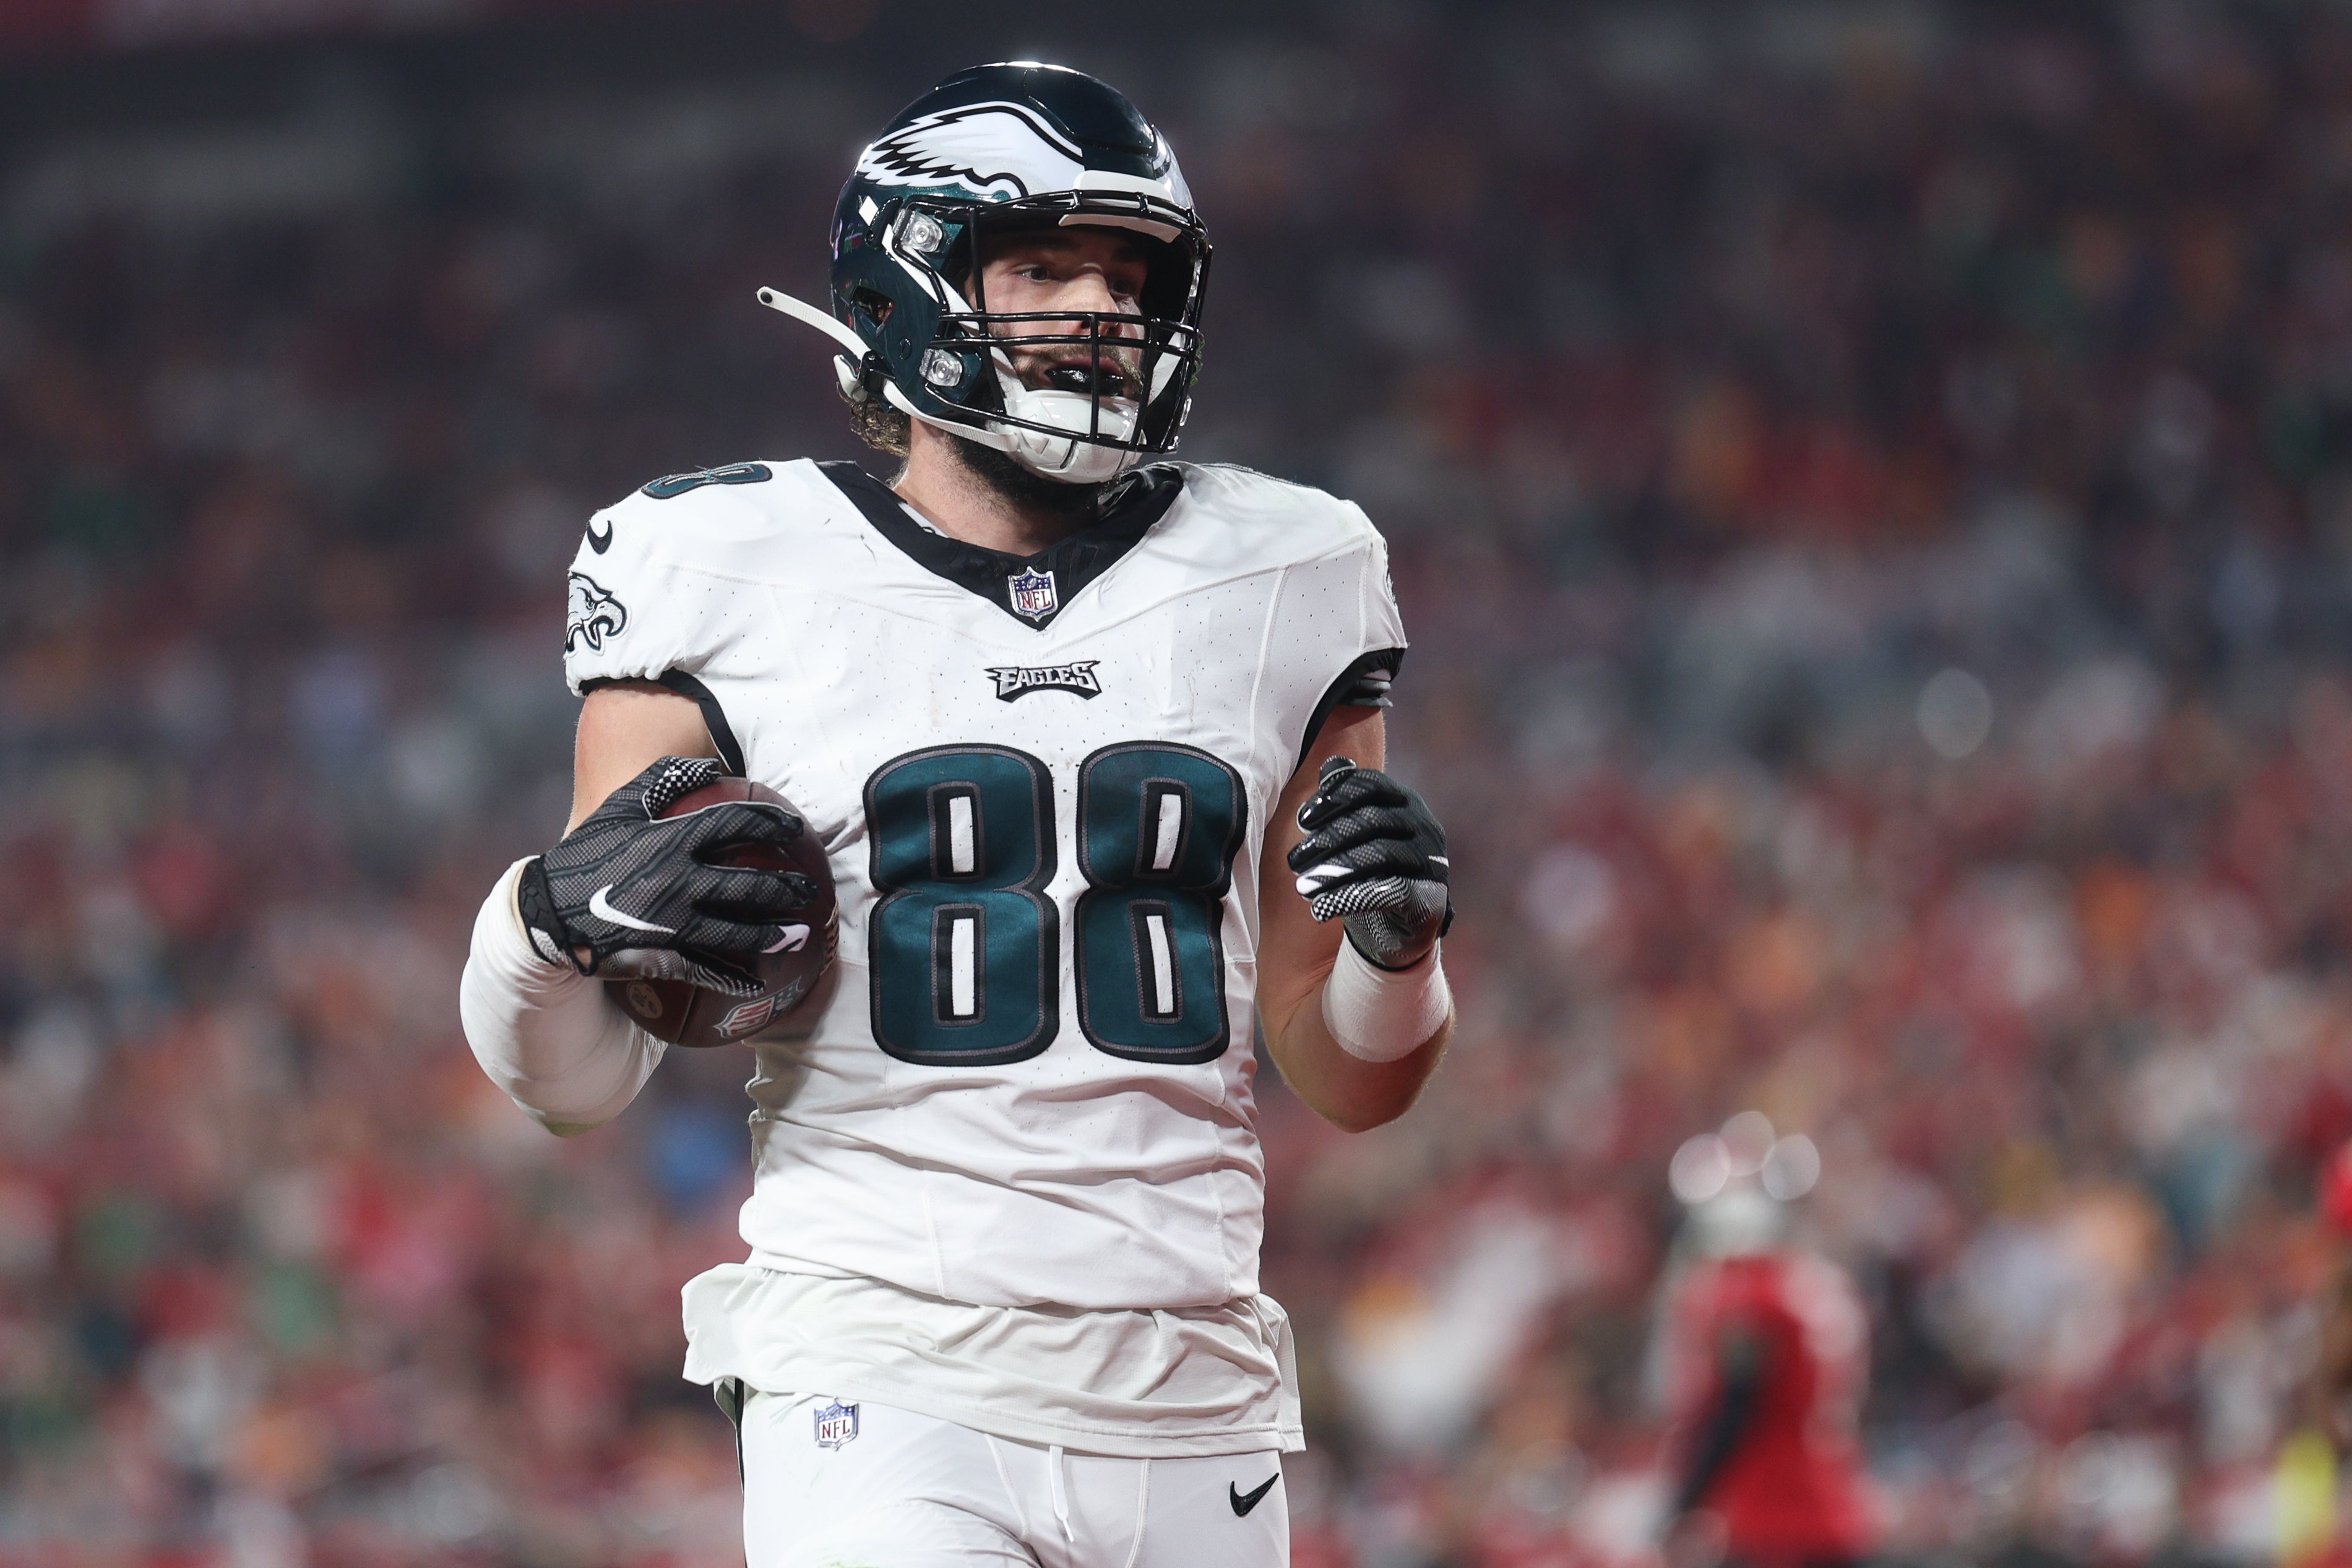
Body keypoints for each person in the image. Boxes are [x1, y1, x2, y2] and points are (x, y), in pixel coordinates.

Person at [457, 62, 1455, 1568]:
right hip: (879, 1375)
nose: (1097, 310)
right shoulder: (723, 564)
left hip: (1196, 1392)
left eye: (1127, 271)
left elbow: (1350, 1075)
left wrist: (1399, 958)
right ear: (910, 279)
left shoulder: (1291, 572)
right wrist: (534, 927)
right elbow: (579, 1080)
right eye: (1043, 262)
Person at [1657, 1126, 1874, 1568]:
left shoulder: (1749, 1295)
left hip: (1774, 1512)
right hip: (1833, 1501)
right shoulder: (1818, 1285)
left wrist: (1684, 1500)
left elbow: (1738, 1405)